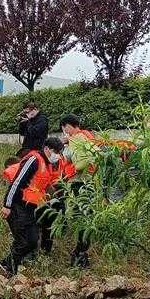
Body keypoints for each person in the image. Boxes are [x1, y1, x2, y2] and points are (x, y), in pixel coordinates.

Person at [0, 137, 64, 276]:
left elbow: (48, 186)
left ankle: (8, 263)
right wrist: (7, 205)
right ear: (47, 149)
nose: (57, 155)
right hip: (18, 204)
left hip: (30, 207)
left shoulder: (48, 165)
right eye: (56, 152)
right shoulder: (34, 159)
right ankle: (10, 267)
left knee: (32, 241)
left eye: (59, 152)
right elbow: (17, 182)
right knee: (24, 239)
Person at [60, 114, 96, 267]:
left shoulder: (76, 138)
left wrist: (66, 143)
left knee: (82, 218)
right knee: (85, 217)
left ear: (68, 125)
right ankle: (80, 253)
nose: (64, 131)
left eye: (64, 127)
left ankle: (79, 254)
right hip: (90, 182)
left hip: (79, 183)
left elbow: (68, 159)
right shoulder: (87, 136)